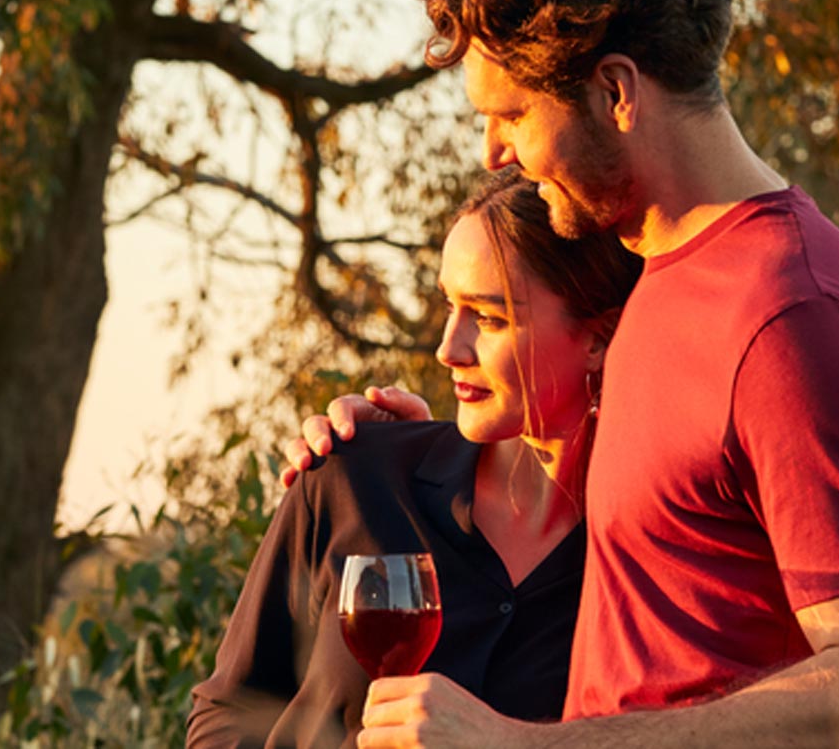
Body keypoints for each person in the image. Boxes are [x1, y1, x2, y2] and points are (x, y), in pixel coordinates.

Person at [282, 0, 839, 748]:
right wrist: (409, 454)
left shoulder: (793, 316)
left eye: (514, 114)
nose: (495, 153)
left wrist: (523, 748)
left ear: (615, 92)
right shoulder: (653, 269)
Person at [187, 170, 642, 747]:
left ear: (599, 338)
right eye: (450, 304)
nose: (449, 347)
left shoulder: (646, 553)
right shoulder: (353, 477)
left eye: (489, 317)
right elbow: (229, 710)